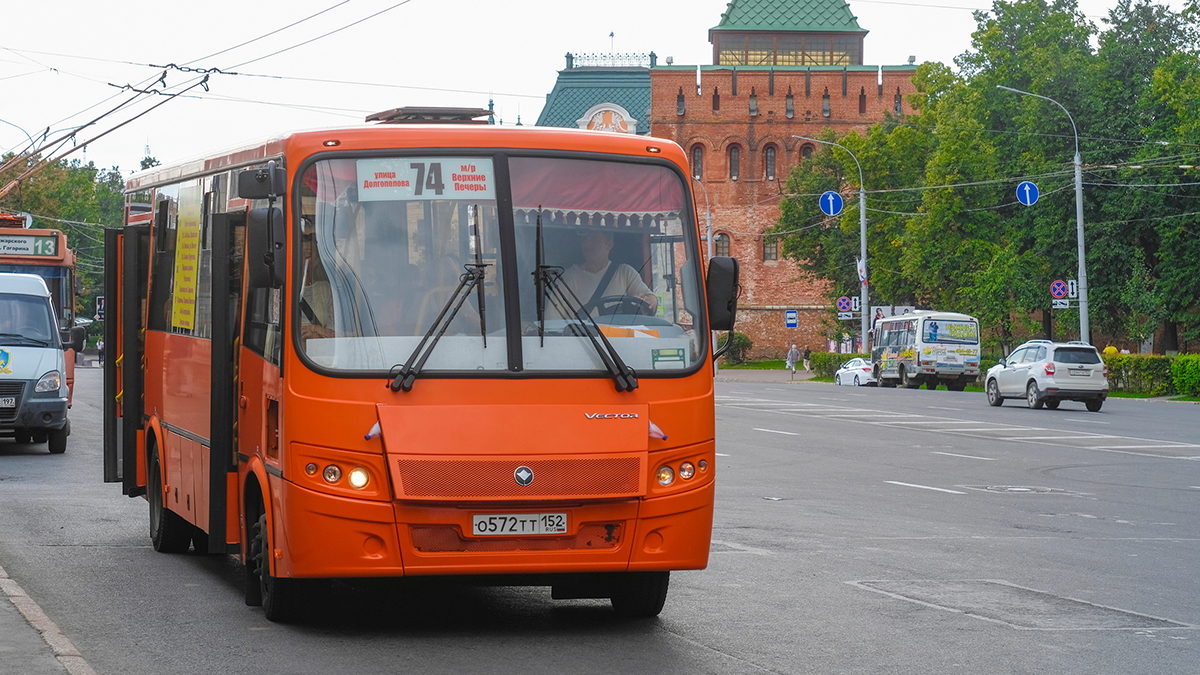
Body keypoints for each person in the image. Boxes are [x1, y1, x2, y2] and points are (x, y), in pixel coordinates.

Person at [559, 229, 657, 318]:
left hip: (618, 337)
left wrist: (650, 301)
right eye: (584, 240)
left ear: (609, 244)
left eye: (594, 240)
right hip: (581, 337)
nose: (587, 245)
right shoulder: (567, 278)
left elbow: (650, 298)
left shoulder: (625, 273)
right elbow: (552, 321)